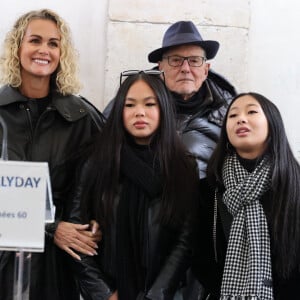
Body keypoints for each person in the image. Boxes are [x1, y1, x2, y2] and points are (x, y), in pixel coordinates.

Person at [66, 70, 200, 300]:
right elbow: (76, 236)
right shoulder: (96, 161)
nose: (140, 112)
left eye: (150, 104)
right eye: (129, 105)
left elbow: (185, 241)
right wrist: (105, 293)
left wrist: (156, 295)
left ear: (164, 110)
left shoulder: (183, 166)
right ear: (119, 111)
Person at [0, 9, 105, 300]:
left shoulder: (80, 115)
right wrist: (51, 228)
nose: (44, 50)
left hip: (57, 269)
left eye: (53, 43)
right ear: (17, 47)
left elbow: (110, 171)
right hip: (4, 259)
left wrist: (100, 218)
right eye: (35, 40)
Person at [193, 92, 300, 299]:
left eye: (251, 111)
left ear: (273, 124)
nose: (241, 118)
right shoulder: (208, 189)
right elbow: (199, 256)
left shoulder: (294, 184)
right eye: (232, 116)